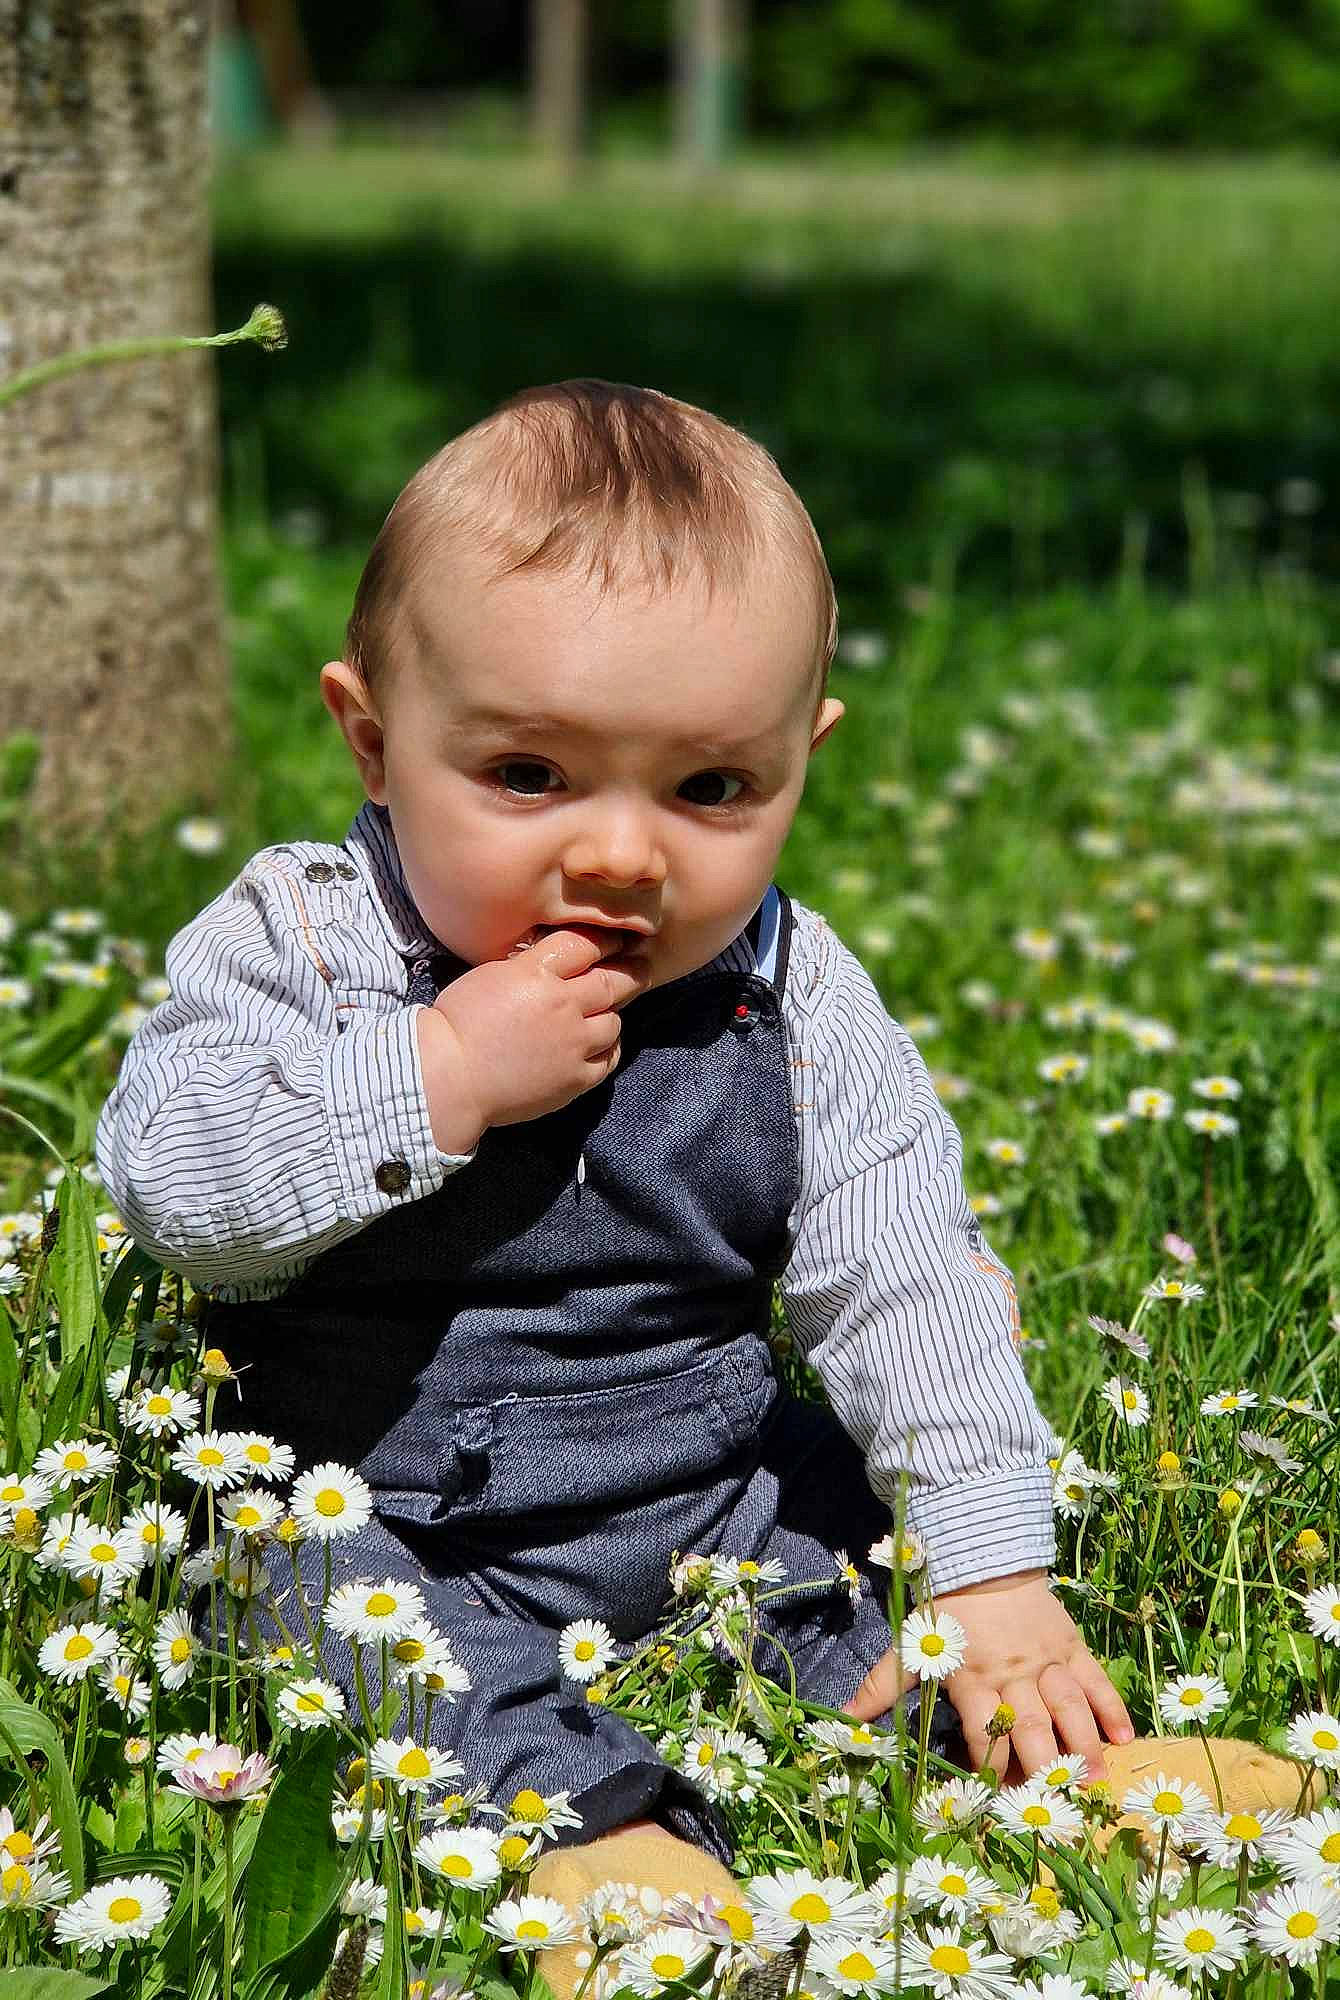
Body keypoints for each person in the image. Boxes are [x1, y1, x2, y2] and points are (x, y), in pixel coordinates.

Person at [96, 379, 1134, 1872]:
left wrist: (990, 1563)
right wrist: (433, 1073)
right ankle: (583, 1826)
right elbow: (168, 1183)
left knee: (851, 1543)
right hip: (383, 1512)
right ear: (374, 744)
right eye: (529, 775)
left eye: (714, 788)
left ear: (802, 762)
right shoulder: (309, 944)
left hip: (703, 1497)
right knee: (280, 1577)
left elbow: (905, 1271)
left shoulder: (788, 990)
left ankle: (1012, 1745)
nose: (623, 854)